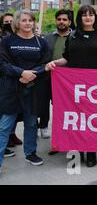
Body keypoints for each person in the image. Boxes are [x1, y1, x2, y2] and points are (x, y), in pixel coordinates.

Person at [45, 5, 97, 168]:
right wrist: (54, 63)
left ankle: (91, 152)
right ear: (79, 18)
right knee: (76, 119)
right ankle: (76, 151)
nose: (88, 17)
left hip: (96, 87)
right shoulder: (72, 36)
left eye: (91, 15)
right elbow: (66, 58)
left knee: (93, 120)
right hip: (75, 87)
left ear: (95, 17)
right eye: (84, 15)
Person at [0, 10, 51, 172]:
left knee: (31, 123)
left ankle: (30, 152)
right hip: (12, 89)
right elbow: (2, 63)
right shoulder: (7, 41)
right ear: (17, 23)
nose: (28, 23)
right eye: (24, 20)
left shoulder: (41, 42)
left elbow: (46, 63)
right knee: (5, 126)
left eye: (30, 20)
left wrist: (31, 75)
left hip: (33, 89)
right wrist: (21, 73)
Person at [41, 9, 73, 144]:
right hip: (47, 76)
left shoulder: (75, 37)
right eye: (59, 19)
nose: (61, 22)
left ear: (69, 22)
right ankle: (43, 126)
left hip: (66, 80)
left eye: (64, 19)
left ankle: (61, 129)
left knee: (61, 105)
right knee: (43, 103)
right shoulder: (47, 38)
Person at [0, 13, 23, 149]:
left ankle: (12, 134)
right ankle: (6, 138)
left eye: (11, 21)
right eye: (6, 21)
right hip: (4, 78)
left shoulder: (17, 39)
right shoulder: (3, 40)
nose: (8, 23)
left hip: (17, 78)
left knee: (15, 111)